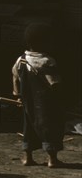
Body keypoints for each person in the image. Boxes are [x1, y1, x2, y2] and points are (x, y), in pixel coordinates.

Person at [12, 23, 64, 168]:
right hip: (45, 103)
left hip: (28, 103)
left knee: (29, 127)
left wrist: (17, 94)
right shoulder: (47, 61)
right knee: (49, 128)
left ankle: (28, 158)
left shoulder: (20, 60)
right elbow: (53, 83)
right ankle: (52, 159)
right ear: (45, 42)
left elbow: (15, 77)